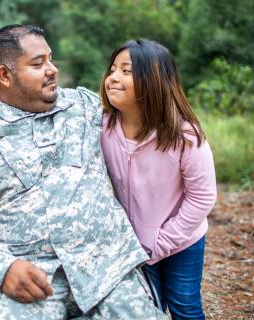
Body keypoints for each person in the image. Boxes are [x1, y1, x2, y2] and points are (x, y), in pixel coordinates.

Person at [0, 25, 166, 319]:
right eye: (38, 64)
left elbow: (151, 120)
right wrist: (0, 267)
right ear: (5, 75)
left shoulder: (85, 106)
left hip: (107, 271)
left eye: (51, 59)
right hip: (26, 281)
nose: (52, 70)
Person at [100, 39, 217, 319]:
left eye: (126, 71)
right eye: (113, 69)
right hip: (134, 244)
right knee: (147, 309)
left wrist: (162, 243)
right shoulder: (103, 127)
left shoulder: (184, 136)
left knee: (185, 307)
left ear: (153, 81)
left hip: (182, 240)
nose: (113, 77)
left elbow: (202, 196)